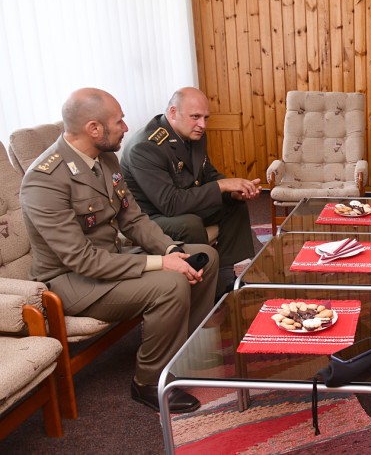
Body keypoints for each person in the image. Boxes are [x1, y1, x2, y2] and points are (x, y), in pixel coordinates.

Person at [20, 88, 218, 414]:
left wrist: (170, 249)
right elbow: (81, 259)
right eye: (119, 121)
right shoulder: (45, 182)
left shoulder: (106, 158)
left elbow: (133, 218)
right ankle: (149, 383)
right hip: (70, 281)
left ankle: (182, 353)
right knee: (170, 284)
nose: (126, 127)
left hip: (111, 263)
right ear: (94, 129)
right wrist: (160, 264)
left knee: (203, 257)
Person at [120, 87, 259, 298]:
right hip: (151, 217)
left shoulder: (193, 134)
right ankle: (205, 288)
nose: (202, 125)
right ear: (173, 113)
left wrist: (233, 191)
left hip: (183, 204)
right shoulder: (146, 147)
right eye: (195, 117)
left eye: (205, 118)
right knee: (189, 223)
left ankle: (229, 277)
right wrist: (223, 186)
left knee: (234, 205)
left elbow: (208, 175)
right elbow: (170, 204)